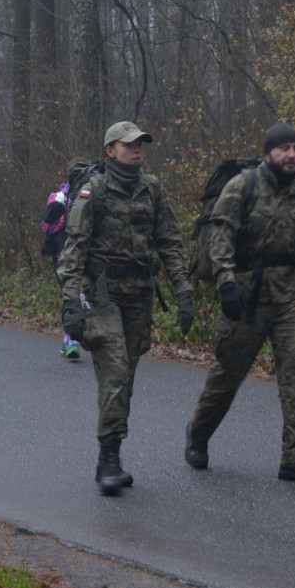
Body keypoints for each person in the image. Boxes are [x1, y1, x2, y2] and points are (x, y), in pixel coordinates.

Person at [184, 122, 295, 483]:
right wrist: (226, 286)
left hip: (289, 297)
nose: (292, 155)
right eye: (284, 149)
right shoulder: (243, 186)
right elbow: (220, 238)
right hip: (246, 296)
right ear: (269, 153)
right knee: (227, 374)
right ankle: (198, 436)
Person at [56, 121, 195, 496]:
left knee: (126, 374)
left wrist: (183, 290)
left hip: (139, 294)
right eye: (128, 144)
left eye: (141, 145)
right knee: (116, 370)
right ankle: (109, 460)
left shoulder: (152, 188)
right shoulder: (94, 190)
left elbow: (170, 241)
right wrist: (70, 303)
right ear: (110, 150)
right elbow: (73, 251)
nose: (137, 150)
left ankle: (113, 450)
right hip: (101, 295)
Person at [41, 177, 80, 359]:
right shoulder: (59, 197)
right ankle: (70, 339)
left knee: (79, 294)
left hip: (83, 254)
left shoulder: (92, 193)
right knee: (69, 293)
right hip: (62, 254)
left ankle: (72, 337)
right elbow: (46, 225)